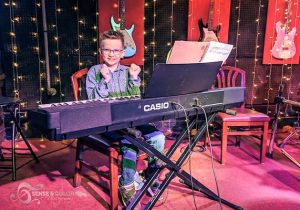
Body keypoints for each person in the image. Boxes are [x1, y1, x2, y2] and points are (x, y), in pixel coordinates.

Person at [86, 30, 165, 207]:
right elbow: (93, 103)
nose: (111, 54)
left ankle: (151, 177)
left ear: (123, 52)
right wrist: (104, 80)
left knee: (158, 137)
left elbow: (135, 101)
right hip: (107, 123)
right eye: (107, 50)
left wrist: (134, 79)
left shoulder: (127, 71)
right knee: (131, 142)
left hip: (130, 120)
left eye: (116, 51)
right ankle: (127, 183)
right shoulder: (94, 72)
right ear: (101, 51)